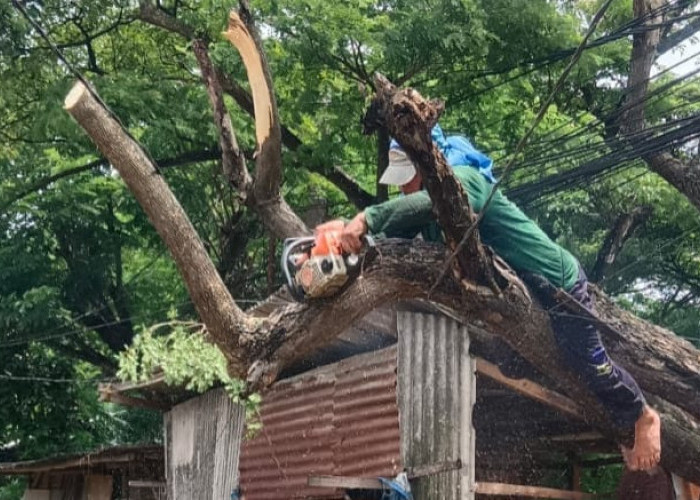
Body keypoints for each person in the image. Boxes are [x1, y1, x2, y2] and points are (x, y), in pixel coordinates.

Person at [318, 137, 662, 472]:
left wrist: (367, 218)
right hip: (524, 300)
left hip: (558, 284)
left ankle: (641, 413)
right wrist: (350, 236)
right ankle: (623, 427)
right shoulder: (430, 211)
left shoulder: (464, 180)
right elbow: (395, 236)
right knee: (523, 365)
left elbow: (419, 206)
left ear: (425, 165)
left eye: (407, 180)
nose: (403, 190)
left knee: (587, 362)